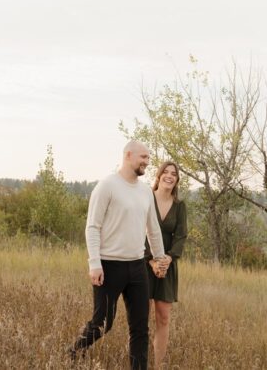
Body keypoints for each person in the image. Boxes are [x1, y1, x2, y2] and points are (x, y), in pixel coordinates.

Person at [69, 141, 170, 370]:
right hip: (108, 266)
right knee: (102, 324)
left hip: (137, 267)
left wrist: (160, 258)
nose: (147, 162)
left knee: (140, 328)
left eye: (148, 158)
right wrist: (94, 263)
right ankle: (74, 352)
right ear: (128, 155)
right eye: (143, 157)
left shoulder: (145, 191)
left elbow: (153, 229)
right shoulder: (107, 186)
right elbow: (92, 227)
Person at [144, 161, 187, 368]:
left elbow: (181, 236)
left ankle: (157, 365)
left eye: (174, 174)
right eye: (166, 172)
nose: (169, 176)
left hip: (166, 266)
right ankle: (139, 363)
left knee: (163, 318)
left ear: (177, 180)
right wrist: (151, 260)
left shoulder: (180, 206)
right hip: (142, 263)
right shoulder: (145, 198)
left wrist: (167, 259)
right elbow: (135, 231)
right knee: (140, 319)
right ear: (159, 175)